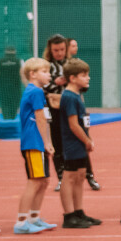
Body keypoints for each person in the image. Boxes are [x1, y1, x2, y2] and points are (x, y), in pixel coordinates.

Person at [13, 57, 56, 235]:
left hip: (38, 142)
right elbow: (40, 119)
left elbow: (44, 119)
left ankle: (34, 217)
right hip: (33, 142)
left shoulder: (36, 91)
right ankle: (21, 222)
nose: (49, 75)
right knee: (34, 181)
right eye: (45, 72)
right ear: (33, 74)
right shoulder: (36, 92)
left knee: (43, 181)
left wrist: (47, 141)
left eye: (49, 71)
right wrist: (47, 142)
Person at [58, 58, 101, 230]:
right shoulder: (69, 97)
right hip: (72, 143)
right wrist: (87, 140)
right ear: (72, 78)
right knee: (69, 177)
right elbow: (73, 124)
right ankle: (68, 215)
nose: (88, 78)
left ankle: (78, 211)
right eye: (84, 75)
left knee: (80, 175)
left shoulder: (77, 95)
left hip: (79, 143)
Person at [68, 38, 101, 191]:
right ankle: (65, 176)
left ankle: (90, 175)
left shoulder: (79, 64)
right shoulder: (62, 68)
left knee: (84, 138)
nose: (76, 48)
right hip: (70, 109)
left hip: (80, 106)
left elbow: (84, 88)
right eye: (73, 45)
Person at [42, 34, 69, 185]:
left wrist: (71, 81)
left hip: (71, 107)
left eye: (62, 49)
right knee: (57, 142)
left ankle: (89, 175)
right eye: (56, 50)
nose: (59, 53)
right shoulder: (46, 66)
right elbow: (42, 87)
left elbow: (84, 86)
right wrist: (56, 83)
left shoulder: (72, 64)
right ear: (50, 50)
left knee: (76, 141)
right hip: (54, 108)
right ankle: (61, 177)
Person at [0, 45, 22, 119]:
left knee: (5, 106)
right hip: (15, 88)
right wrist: (27, 86)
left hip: (3, 89)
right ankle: (12, 119)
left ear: (5, 52)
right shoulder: (19, 61)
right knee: (14, 106)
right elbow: (23, 76)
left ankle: (6, 120)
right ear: (15, 52)